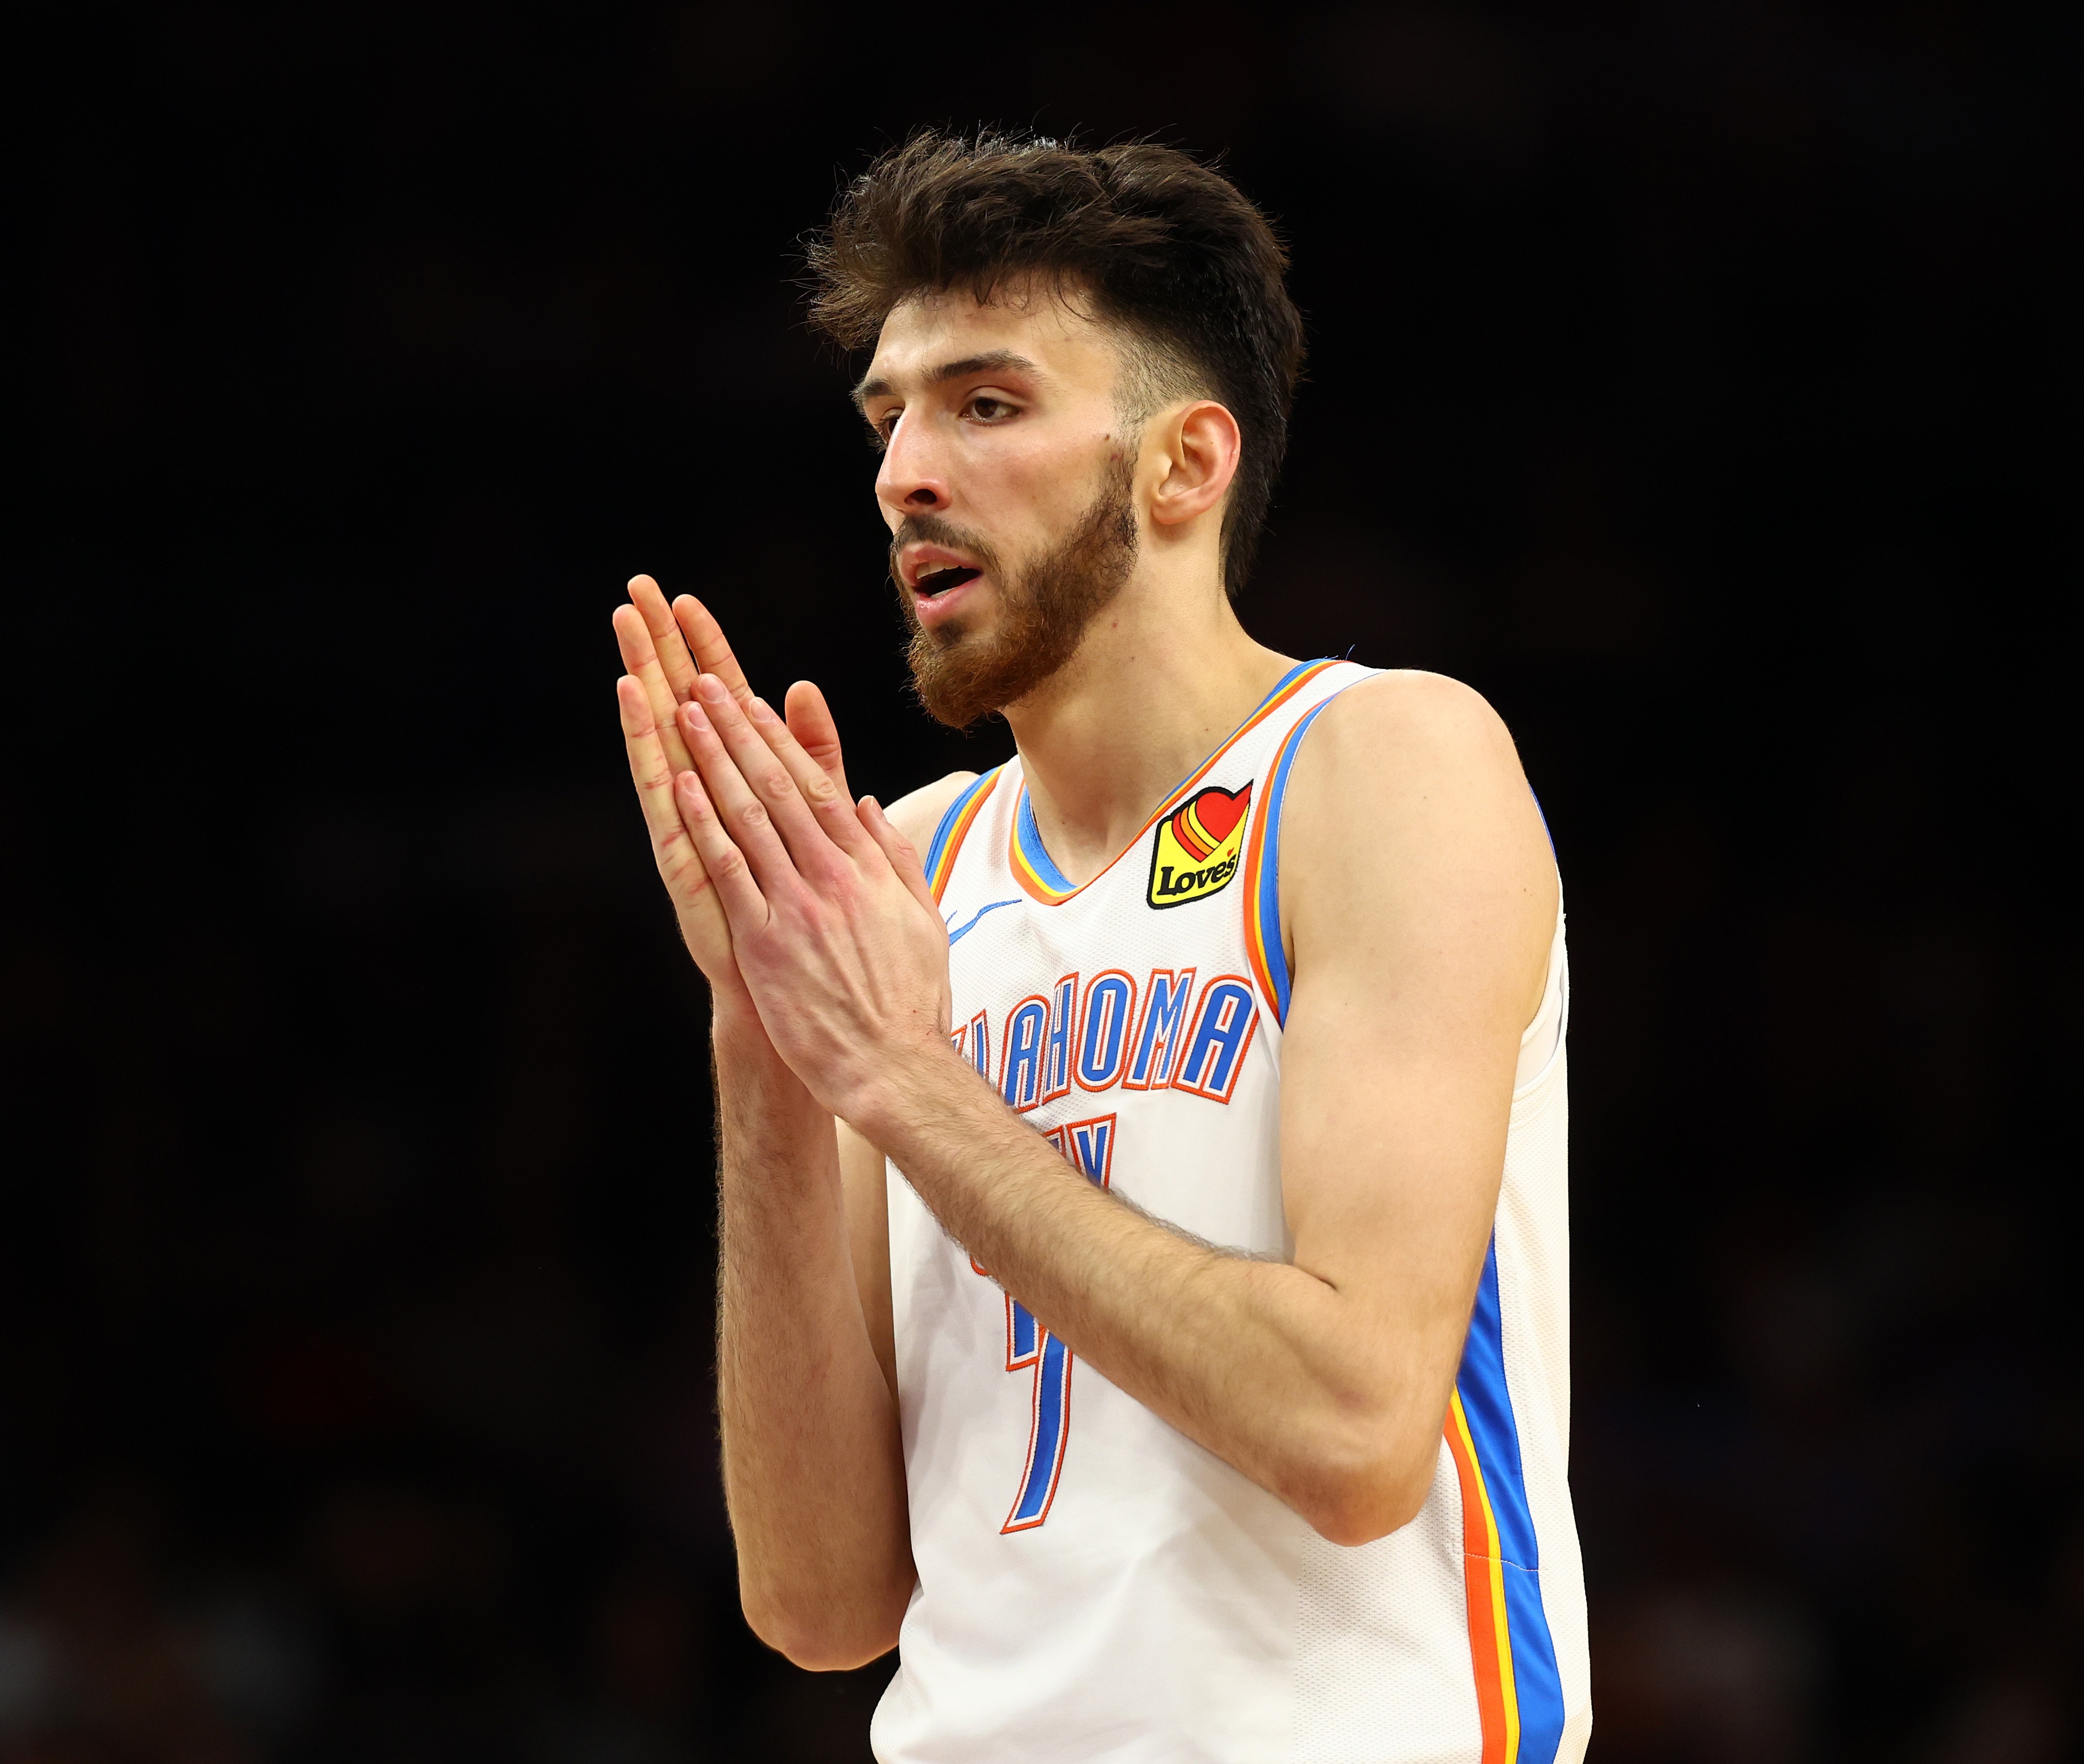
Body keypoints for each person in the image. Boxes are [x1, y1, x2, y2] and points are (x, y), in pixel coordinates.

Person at [610, 131, 1585, 1764]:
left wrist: (903, 1077)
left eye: (986, 405)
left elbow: (1354, 1432)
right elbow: (822, 1602)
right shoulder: (902, 874)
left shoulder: (1378, 765)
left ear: (1185, 463)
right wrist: (763, 1041)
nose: (905, 473)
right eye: (890, 418)